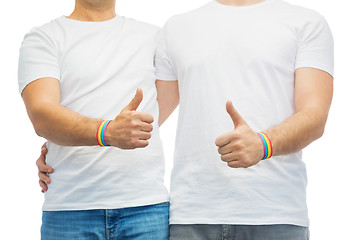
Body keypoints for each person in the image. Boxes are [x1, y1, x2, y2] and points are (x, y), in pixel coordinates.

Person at [37, 0, 334, 239]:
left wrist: (264, 144)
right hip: (191, 216)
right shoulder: (176, 28)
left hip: (276, 214)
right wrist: (59, 151)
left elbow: (315, 116)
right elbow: (143, 120)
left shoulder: (305, 23)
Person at [18, 0, 179, 239]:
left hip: (146, 206)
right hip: (70, 209)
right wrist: (108, 132)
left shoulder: (154, 38)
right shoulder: (44, 38)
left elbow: (163, 103)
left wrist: (129, 131)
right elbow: (42, 115)